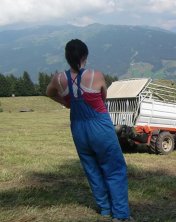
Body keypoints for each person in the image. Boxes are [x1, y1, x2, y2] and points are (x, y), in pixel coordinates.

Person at [46, 39, 134, 222]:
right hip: (99, 126)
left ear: (67, 57)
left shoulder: (58, 79)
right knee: (114, 169)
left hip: (78, 128)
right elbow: (103, 98)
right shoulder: (97, 75)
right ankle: (121, 215)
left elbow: (49, 93)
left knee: (91, 168)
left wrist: (66, 102)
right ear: (85, 55)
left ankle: (104, 209)